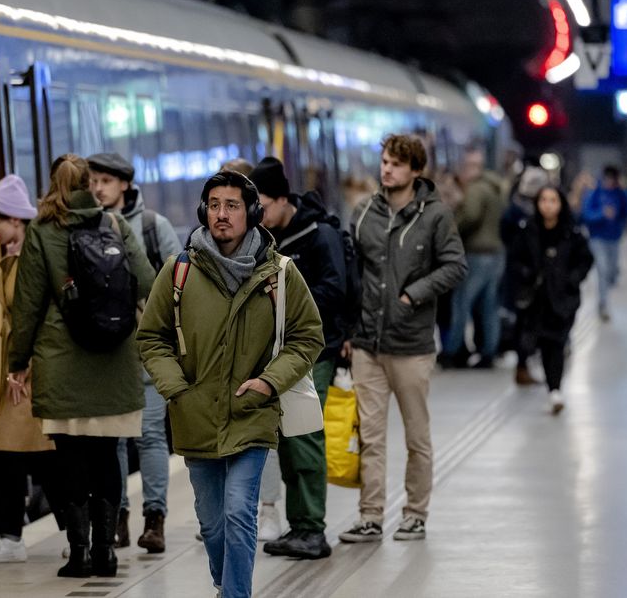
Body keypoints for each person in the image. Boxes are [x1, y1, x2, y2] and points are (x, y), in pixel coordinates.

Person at [138, 171, 323, 598]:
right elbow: (151, 337)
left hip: (252, 413)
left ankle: (236, 595)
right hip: (195, 415)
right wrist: (176, 390)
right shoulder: (179, 272)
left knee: (240, 512)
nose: (222, 214)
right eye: (215, 205)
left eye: (233, 206)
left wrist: (269, 383)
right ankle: (226, 584)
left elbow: (308, 335)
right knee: (213, 522)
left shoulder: (279, 273)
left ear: (252, 213)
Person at [8, 154, 155, 578]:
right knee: (108, 455)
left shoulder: (40, 232)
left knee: (70, 459)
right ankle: (107, 554)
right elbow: (147, 282)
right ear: (89, 185)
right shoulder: (114, 224)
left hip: (62, 359)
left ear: (53, 184)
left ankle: (80, 554)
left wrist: (18, 364)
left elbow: (28, 305)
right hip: (116, 357)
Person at [339, 134, 466, 543]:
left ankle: (415, 513)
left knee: (417, 435)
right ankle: (371, 515)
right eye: (384, 161)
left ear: (415, 170)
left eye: (396, 163)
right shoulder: (363, 213)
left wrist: (415, 293)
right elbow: (351, 275)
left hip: (411, 344)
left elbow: (455, 266)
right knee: (371, 436)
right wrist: (348, 330)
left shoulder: (435, 216)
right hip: (367, 345)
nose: (387, 169)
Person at [251, 157, 346, 560]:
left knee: (304, 434)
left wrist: (286, 304)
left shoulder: (318, 235)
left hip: (316, 349)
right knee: (289, 438)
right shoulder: (268, 239)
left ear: (283, 199)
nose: (259, 216)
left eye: (263, 207)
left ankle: (311, 529)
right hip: (282, 354)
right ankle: (300, 525)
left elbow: (335, 290)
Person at [87, 152, 180, 553]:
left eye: (105, 181)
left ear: (124, 184)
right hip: (108, 351)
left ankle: (154, 519)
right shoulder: (88, 225)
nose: (97, 187)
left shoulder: (151, 226)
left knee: (150, 437)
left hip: (148, 348)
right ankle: (118, 520)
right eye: (93, 180)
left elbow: (179, 282)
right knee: (115, 440)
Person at [0, 175, 62, 563]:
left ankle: (18, 536)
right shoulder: (16, 256)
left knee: (30, 453)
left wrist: (22, 367)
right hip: (22, 372)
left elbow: (32, 319)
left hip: (34, 373)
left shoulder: (32, 260)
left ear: (16, 221)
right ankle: (20, 534)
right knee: (24, 453)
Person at [505, 186, 593, 414]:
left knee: (556, 343)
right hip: (534, 300)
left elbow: (585, 260)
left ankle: (555, 389)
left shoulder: (571, 233)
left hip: (563, 299)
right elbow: (514, 259)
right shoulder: (527, 230)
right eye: (543, 200)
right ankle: (536, 374)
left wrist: (571, 280)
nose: (548, 205)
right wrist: (525, 275)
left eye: (553, 200)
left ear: (561, 204)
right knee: (539, 342)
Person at [441, 148, 506, 369]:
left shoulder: (476, 190)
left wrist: (452, 227)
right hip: (495, 253)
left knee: (461, 303)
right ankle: (489, 350)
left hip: (477, 253)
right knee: (488, 305)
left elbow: (471, 216)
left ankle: (451, 350)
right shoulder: (495, 187)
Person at [500, 166, 548, 386]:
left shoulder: (516, 210)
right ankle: (523, 364)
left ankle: (525, 363)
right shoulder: (521, 214)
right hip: (522, 276)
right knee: (524, 322)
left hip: (526, 273)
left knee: (527, 321)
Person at [580, 166, 627, 322]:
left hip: (615, 239)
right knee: (602, 270)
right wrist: (602, 214)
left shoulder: (619, 193)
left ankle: (605, 294)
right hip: (598, 238)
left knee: (611, 272)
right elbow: (586, 215)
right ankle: (603, 303)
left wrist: (623, 191)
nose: (610, 182)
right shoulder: (595, 193)